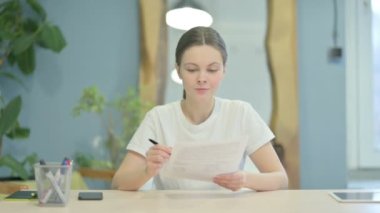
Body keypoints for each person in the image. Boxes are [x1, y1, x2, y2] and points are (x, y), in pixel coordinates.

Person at [112, 26, 288, 191]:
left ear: (224, 71)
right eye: (191, 69)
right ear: (179, 70)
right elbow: (118, 183)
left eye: (212, 69)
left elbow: (281, 179)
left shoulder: (241, 113)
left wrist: (245, 179)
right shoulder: (158, 118)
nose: (202, 78)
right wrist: (147, 171)